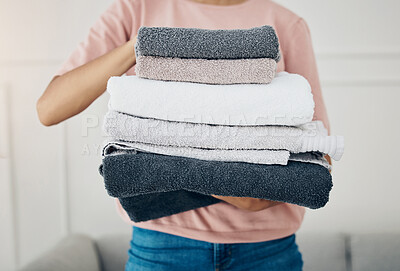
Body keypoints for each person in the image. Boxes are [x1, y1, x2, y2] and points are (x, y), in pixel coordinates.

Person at [37, 0, 331, 270]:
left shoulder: (284, 24)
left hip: (267, 252)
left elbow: (317, 152)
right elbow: (49, 108)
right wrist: (140, 46)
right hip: (162, 249)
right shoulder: (135, 9)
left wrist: (265, 188)